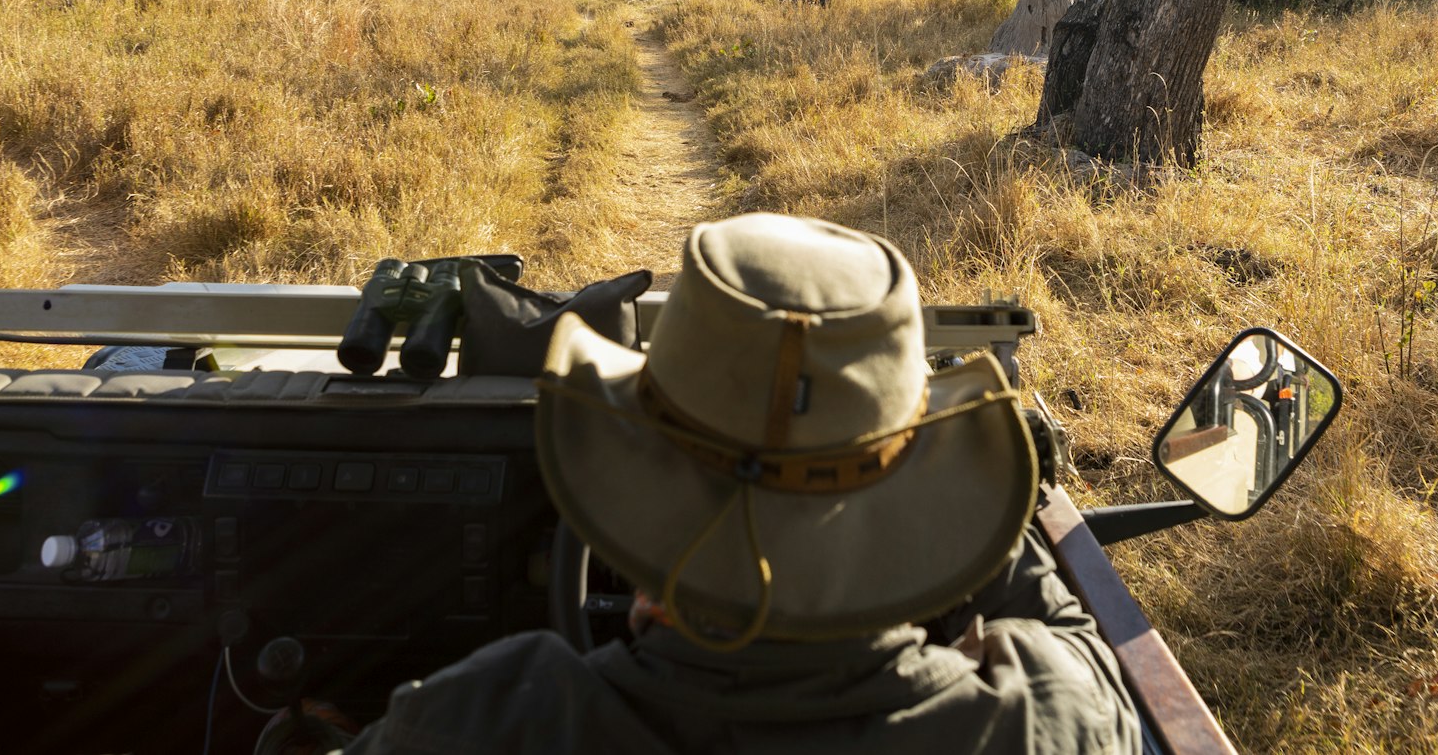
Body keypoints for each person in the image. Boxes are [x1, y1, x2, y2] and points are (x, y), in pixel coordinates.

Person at [345, 212, 1139, 754]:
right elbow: (1079, 651)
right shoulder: (1032, 723)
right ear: (911, 507)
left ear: (633, 475)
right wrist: (975, 495)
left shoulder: (478, 722)